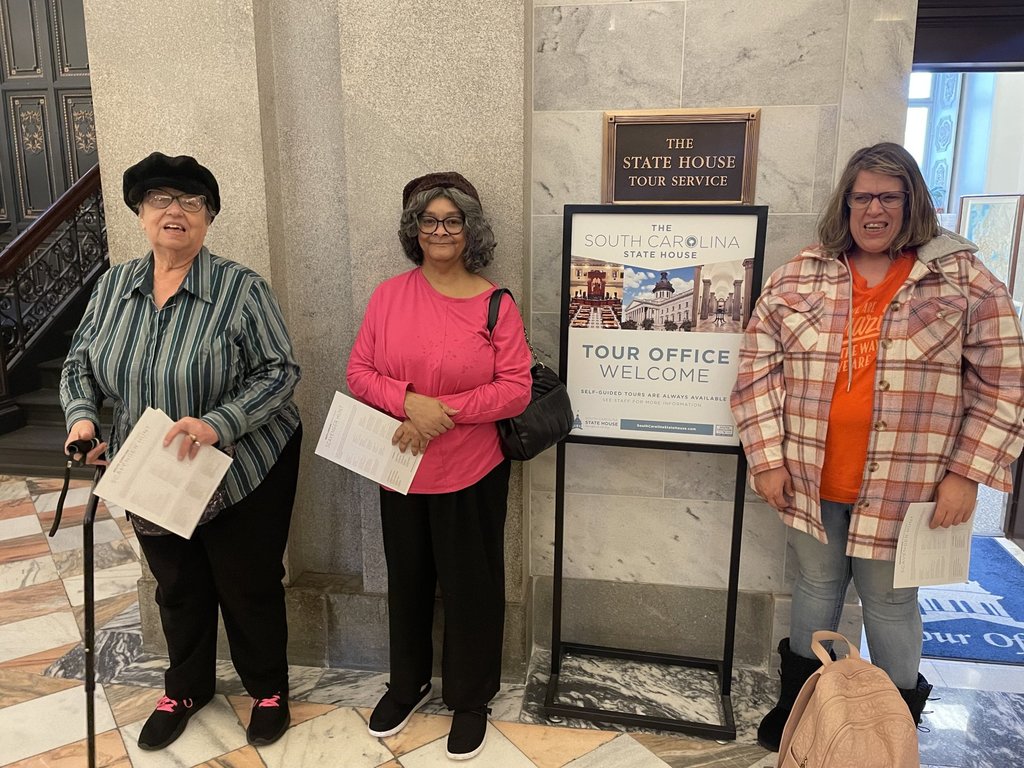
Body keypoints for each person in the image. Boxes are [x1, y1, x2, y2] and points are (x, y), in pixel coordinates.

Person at [730, 142, 1024, 751]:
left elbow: (1004, 379)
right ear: (846, 202)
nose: (875, 210)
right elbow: (757, 370)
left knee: (890, 605)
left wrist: (967, 472)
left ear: (912, 202)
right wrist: (766, 458)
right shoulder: (800, 274)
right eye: (863, 196)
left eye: (890, 196)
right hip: (810, 480)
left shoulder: (962, 279)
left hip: (906, 486)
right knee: (814, 590)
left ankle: (891, 733)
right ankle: (803, 712)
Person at [60, 152, 303, 750]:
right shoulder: (115, 286)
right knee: (178, 583)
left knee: (246, 583)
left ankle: (268, 689)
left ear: (209, 218)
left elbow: (281, 372)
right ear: (141, 214)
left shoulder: (241, 288)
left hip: (243, 463)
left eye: (191, 202)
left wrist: (219, 423)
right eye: (161, 200)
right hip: (153, 467)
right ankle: (186, 687)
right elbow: (78, 365)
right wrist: (84, 421)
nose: (175, 211)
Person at [346, 172, 532, 761]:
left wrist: (440, 411)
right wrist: (407, 403)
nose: (441, 231)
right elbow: (359, 372)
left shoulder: (495, 303)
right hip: (398, 466)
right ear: (414, 231)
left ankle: (470, 698)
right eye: (429, 221)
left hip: (472, 470)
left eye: (452, 221)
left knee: (471, 587)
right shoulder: (387, 296)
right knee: (407, 582)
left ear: (471, 229)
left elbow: (516, 389)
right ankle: (408, 683)